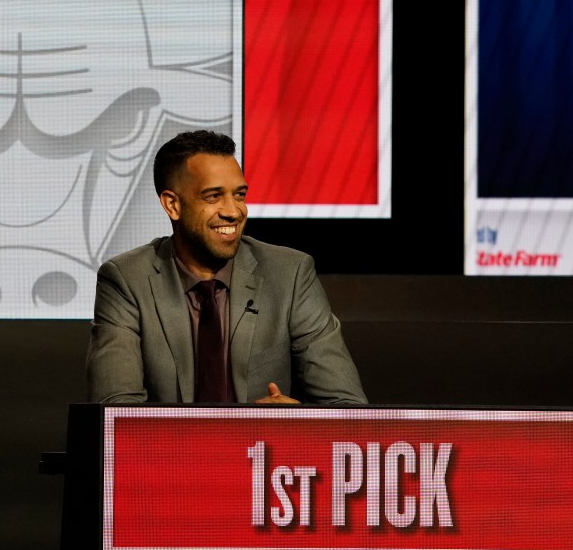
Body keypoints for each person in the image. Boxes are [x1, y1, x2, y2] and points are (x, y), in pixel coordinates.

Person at [86, 129, 367, 405]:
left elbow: (348, 406)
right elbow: (115, 412)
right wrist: (231, 429)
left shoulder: (290, 274)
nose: (233, 211)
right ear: (172, 205)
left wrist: (290, 422)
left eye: (240, 195)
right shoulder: (127, 280)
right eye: (213, 196)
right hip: (178, 442)